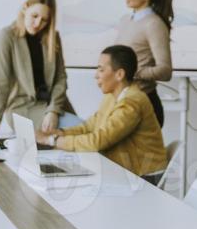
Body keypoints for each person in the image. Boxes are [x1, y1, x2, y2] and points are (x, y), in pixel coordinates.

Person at [37, 45, 168, 179]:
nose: (96, 76)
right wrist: (59, 133)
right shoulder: (111, 96)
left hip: (145, 176)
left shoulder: (132, 102)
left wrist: (53, 141)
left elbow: (98, 141)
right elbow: (89, 127)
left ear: (119, 75)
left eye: (101, 70)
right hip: (124, 169)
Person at [0, 0, 78, 137]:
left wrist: (53, 110)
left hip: (55, 104)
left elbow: (61, 78)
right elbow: (1, 83)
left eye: (44, 20)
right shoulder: (8, 36)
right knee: (75, 133)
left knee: (86, 132)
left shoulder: (53, 37)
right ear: (25, 8)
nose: (37, 24)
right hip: (23, 107)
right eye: (34, 16)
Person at [115, 0, 174, 125]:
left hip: (144, 104)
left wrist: (132, 72)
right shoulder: (125, 21)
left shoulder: (153, 24)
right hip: (124, 102)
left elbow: (165, 70)